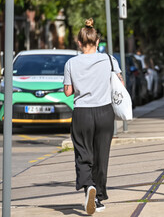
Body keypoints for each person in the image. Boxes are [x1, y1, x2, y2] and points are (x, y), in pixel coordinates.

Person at [63, 18, 124, 215]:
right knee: (101, 156)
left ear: (79, 43)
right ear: (97, 42)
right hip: (105, 112)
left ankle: (88, 186)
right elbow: (119, 84)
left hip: (82, 113)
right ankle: (98, 198)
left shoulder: (71, 63)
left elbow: (67, 92)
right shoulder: (109, 59)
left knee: (83, 154)